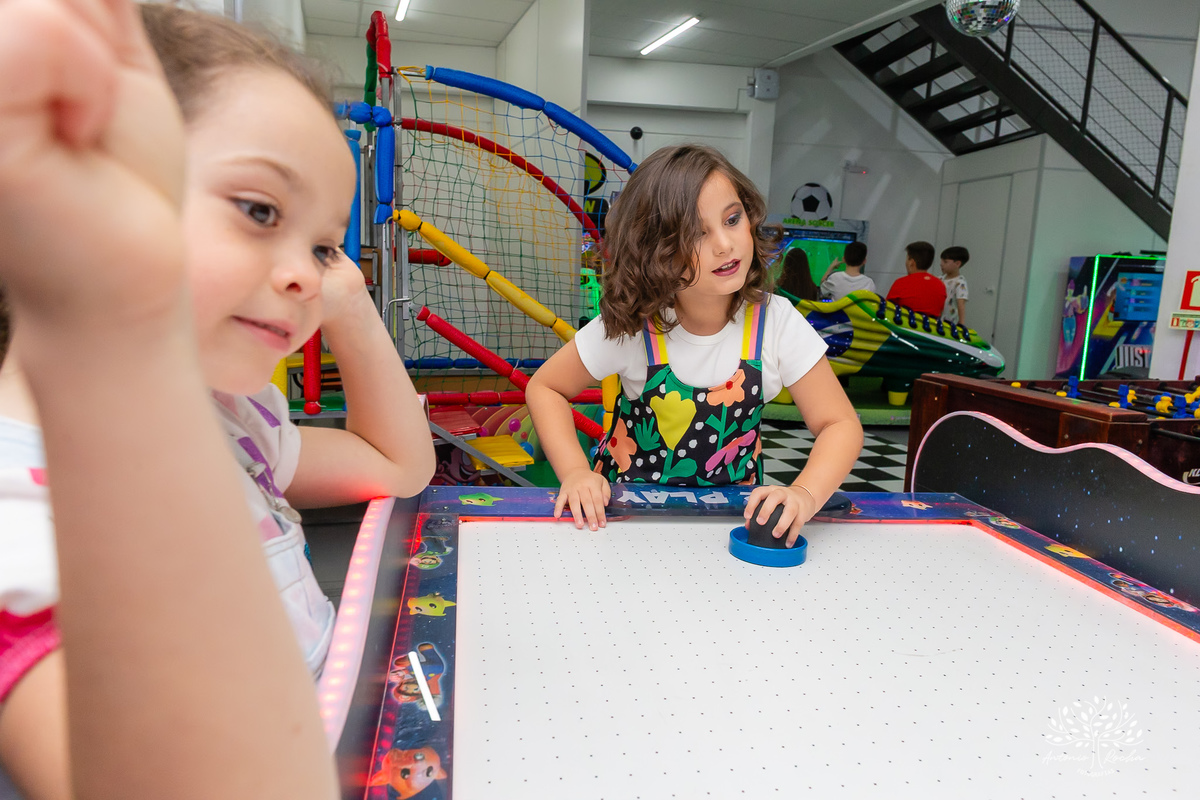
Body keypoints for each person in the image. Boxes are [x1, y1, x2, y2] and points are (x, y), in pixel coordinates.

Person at [0, 4, 435, 797]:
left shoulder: (236, 417)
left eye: (322, 243)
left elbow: (399, 465)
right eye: (260, 210)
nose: (308, 271)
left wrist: (350, 303)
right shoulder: (20, 518)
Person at [526, 144, 862, 547]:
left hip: (732, 525)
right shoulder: (635, 324)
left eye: (732, 219)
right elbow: (545, 387)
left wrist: (805, 494)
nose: (725, 243)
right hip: (624, 521)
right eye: (696, 234)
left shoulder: (776, 321)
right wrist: (577, 473)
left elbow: (840, 424)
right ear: (656, 251)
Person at [886, 241, 945, 318]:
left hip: (904, 327)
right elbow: (939, 312)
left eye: (907, 258)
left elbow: (887, 309)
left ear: (911, 262)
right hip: (931, 328)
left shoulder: (901, 283)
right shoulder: (940, 285)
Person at [939, 245, 970, 327]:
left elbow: (961, 304)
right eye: (941, 261)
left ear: (957, 264)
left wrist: (961, 323)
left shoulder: (960, 283)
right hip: (936, 319)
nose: (941, 264)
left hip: (949, 324)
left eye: (945, 262)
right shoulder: (939, 279)